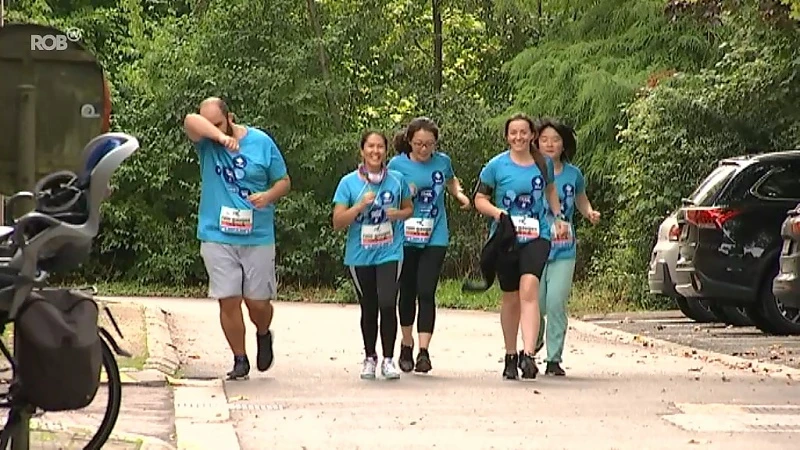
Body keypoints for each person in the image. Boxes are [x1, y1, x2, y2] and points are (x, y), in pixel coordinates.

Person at [183, 97, 291, 380]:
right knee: (228, 299)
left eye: (219, 123)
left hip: (257, 235)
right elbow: (189, 122)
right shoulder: (208, 143)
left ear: (230, 116)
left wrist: (268, 196)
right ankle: (239, 358)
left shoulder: (261, 142)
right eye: (209, 124)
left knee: (257, 303)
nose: (213, 129)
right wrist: (217, 135)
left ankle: (264, 332)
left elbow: (283, 181)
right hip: (217, 234)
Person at [473, 113, 569, 380]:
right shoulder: (495, 166)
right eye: (513, 133)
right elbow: (479, 199)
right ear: (507, 136)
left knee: (529, 288)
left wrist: (558, 217)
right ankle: (510, 354)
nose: (518, 137)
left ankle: (529, 355)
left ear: (531, 136)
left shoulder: (543, 164)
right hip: (506, 238)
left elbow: (550, 190)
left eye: (523, 132)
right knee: (511, 297)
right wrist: (498, 214)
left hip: (537, 236)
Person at [387, 117, 471, 374]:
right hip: (406, 235)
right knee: (407, 290)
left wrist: (458, 194)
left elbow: (451, 180)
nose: (424, 150)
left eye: (429, 145)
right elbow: (388, 191)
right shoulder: (397, 164)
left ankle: (424, 351)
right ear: (409, 142)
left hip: (435, 235)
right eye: (419, 144)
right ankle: (406, 344)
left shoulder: (442, 162)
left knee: (426, 290)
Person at [332, 131, 414, 380]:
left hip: (390, 250)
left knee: (388, 302)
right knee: (369, 306)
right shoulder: (349, 183)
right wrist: (359, 207)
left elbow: (409, 209)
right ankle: (370, 357)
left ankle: (388, 359)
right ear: (362, 151)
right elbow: (337, 221)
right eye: (370, 146)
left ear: (386, 151)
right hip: (360, 255)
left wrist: (397, 215)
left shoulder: (397, 180)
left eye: (380, 147)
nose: (375, 151)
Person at [532, 118, 600, 376]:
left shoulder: (573, 174)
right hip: (534, 247)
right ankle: (532, 343)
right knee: (535, 304)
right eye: (545, 139)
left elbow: (581, 200)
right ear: (536, 142)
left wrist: (589, 213)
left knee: (556, 303)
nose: (550, 144)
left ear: (564, 144)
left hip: (564, 249)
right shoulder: (531, 171)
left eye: (556, 139)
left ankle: (553, 358)